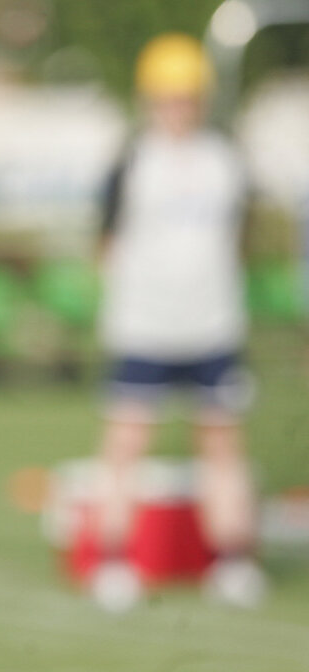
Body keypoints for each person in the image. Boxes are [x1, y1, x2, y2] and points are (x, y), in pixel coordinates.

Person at [89, 32, 265, 611]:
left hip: (213, 327)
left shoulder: (225, 161)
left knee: (222, 445)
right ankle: (113, 561)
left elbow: (241, 238)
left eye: (187, 97)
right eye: (168, 97)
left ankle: (233, 560)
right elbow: (105, 243)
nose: (178, 108)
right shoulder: (131, 161)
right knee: (125, 444)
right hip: (144, 328)